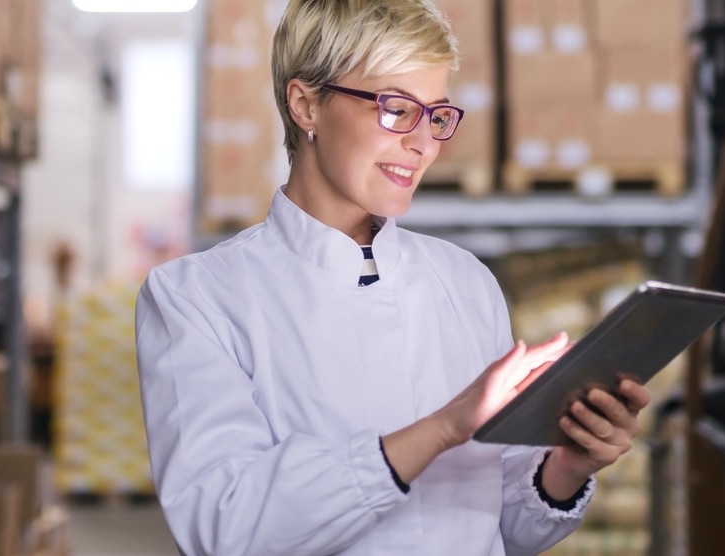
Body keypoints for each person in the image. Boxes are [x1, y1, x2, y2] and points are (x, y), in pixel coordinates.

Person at [135, 1, 652, 554]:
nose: (423, 144)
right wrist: (440, 430)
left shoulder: (465, 282)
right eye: (395, 108)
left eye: (436, 116)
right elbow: (225, 524)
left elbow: (505, 525)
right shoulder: (197, 299)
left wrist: (565, 468)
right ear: (305, 104)